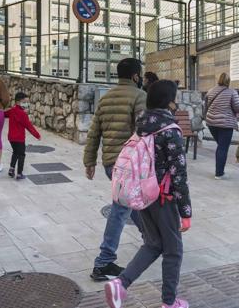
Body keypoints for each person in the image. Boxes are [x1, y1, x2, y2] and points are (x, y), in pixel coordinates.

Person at [103, 80, 191, 308]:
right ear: (169, 101)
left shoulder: (142, 124)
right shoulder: (170, 130)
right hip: (164, 198)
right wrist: (186, 212)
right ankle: (169, 303)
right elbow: (178, 174)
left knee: (153, 244)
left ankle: (120, 284)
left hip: (142, 195)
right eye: (175, 98)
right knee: (173, 250)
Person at [84, 57, 146, 281]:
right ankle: (103, 263)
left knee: (136, 205)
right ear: (135, 76)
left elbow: (94, 132)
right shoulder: (140, 96)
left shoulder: (107, 97)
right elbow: (144, 130)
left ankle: (152, 241)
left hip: (112, 164)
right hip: (130, 165)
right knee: (121, 210)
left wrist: (89, 161)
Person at [204, 72, 239, 180]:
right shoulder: (232, 92)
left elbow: (206, 106)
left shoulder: (210, 91)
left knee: (221, 146)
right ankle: (219, 173)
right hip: (225, 124)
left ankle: (219, 171)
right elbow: (238, 108)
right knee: (222, 147)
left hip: (211, 123)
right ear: (228, 81)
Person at [5, 92, 41, 180]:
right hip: (19, 139)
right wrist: (37, 135)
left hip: (11, 138)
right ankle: (19, 173)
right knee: (21, 155)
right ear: (18, 102)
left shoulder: (12, 110)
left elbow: (3, 114)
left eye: (27, 102)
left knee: (15, 153)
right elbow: (29, 126)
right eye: (24, 101)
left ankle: (11, 169)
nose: (26, 104)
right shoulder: (23, 114)